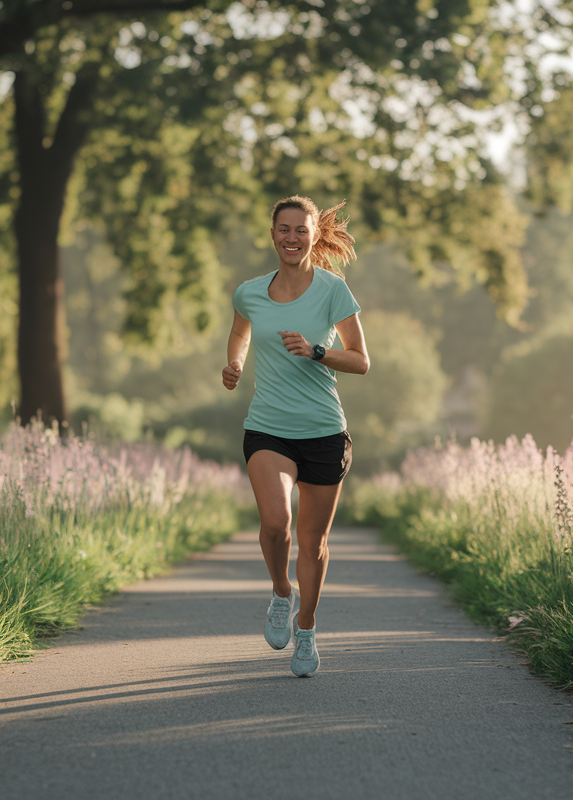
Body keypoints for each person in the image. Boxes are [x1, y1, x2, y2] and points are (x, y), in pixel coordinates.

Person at [221, 195, 370, 677]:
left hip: (325, 430)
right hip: (268, 427)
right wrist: (237, 364)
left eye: (300, 230)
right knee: (275, 522)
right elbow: (240, 332)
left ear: (313, 235)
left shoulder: (333, 291)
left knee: (313, 542)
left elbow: (361, 360)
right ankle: (281, 595)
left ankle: (306, 630)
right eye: (283, 230)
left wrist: (316, 350)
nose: (291, 238)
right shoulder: (249, 292)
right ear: (272, 234)